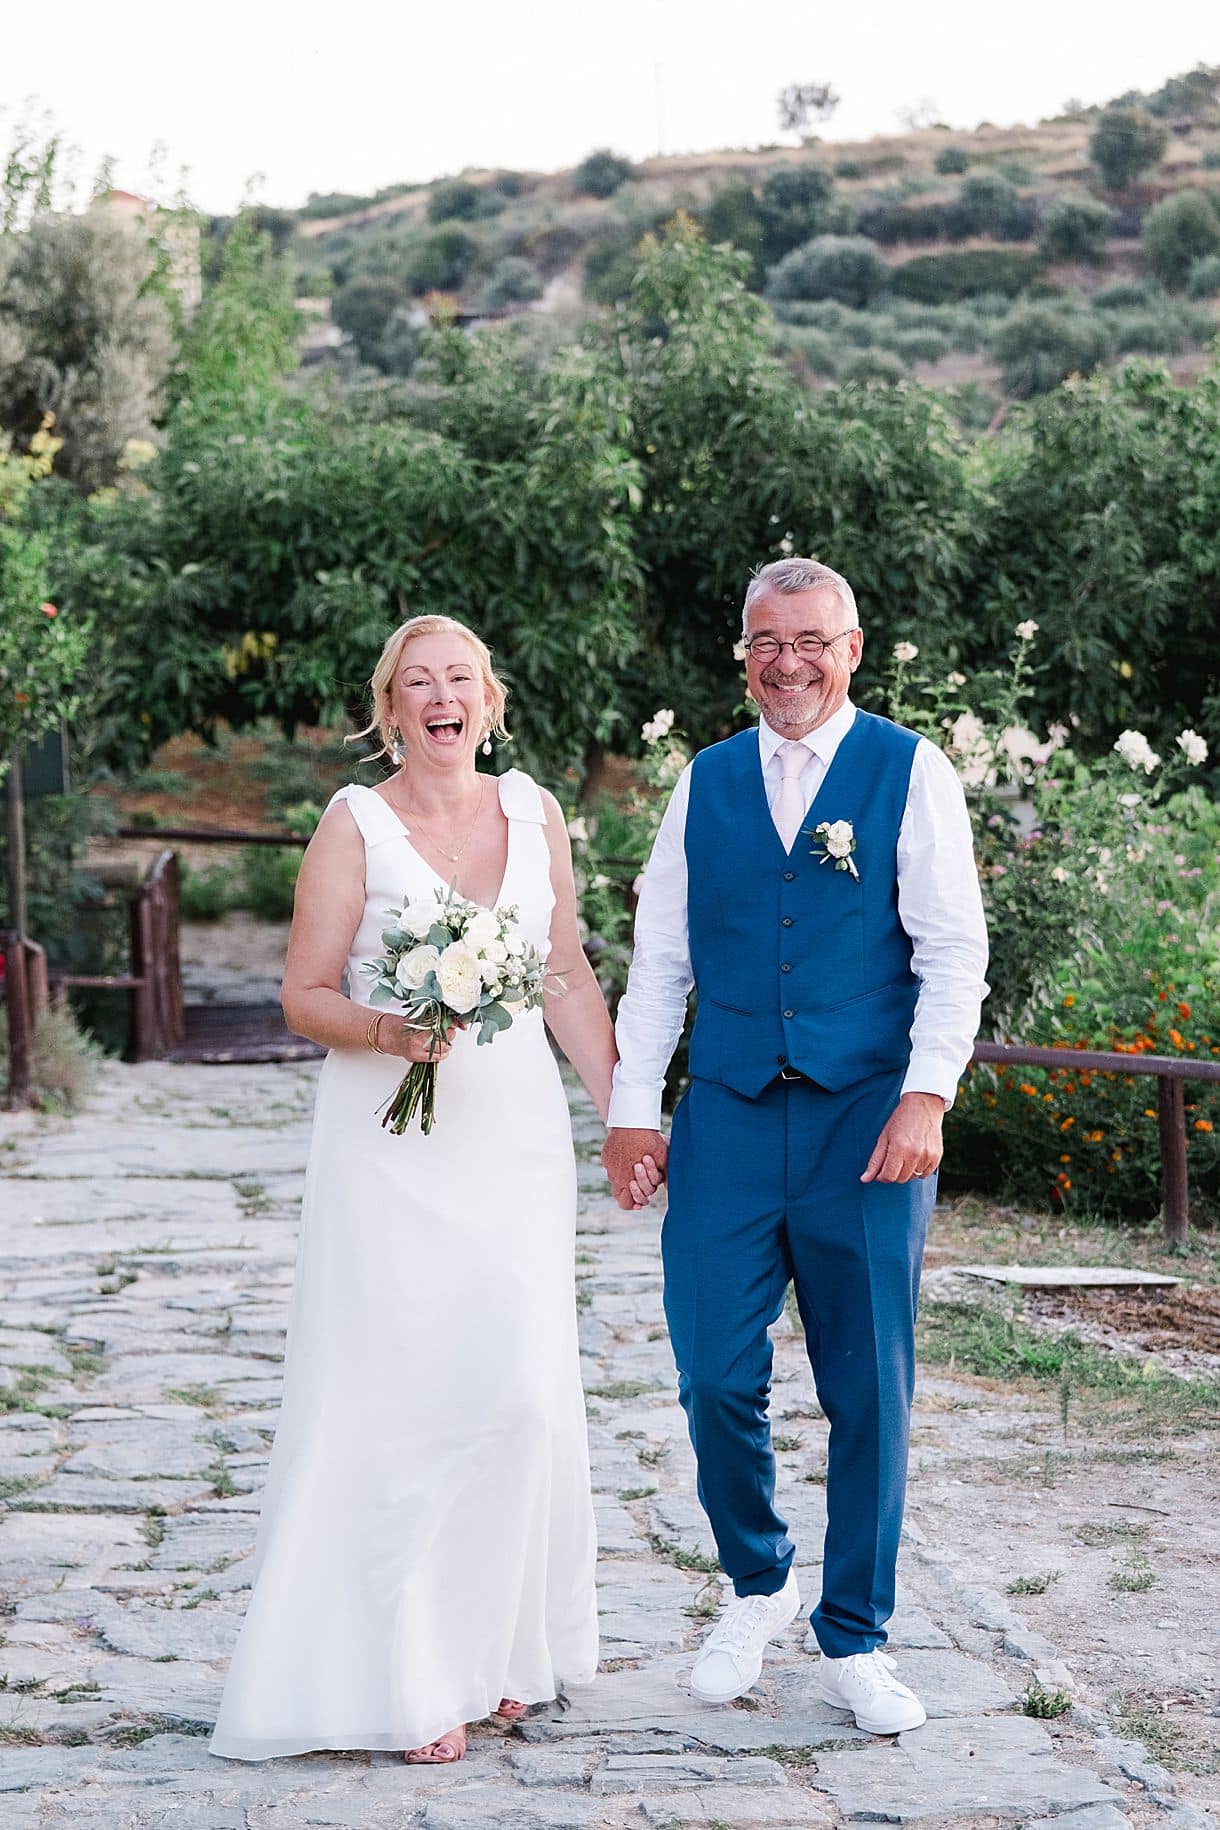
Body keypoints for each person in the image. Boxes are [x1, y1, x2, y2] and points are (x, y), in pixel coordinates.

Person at [211, 613, 637, 1765]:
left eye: (459, 679)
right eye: (417, 683)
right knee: (398, 1401)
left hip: (511, 1143)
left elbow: (561, 972)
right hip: (387, 1152)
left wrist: (624, 1113)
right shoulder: (353, 824)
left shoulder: (532, 810)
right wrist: (388, 1030)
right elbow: (303, 994)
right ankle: (405, 1678)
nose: (440, 697)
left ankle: (498, 1652)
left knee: (515, 1391)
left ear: (487, 699)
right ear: (389, 707)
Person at [602, 558, 988, 1737]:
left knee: (867, 1385)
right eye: (766, 641)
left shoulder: (907, 771)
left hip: (862, 1123)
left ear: (851, 648)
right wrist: (630, 1106)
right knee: (712, 1373)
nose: (787, 662)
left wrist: (924, 1099)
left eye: (810, 640)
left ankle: (857, 1636)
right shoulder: (703, 782)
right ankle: (757, 1581)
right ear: (742, 651)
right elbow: (660, 957)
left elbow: (951, 952)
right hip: (721, 1114)